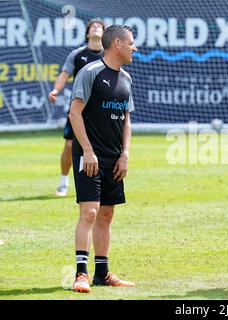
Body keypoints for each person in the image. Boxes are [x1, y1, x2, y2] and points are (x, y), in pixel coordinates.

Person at [69, 24, 137, 293]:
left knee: (107, 214)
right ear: (117, 44)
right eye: (131, 42)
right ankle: (81, 274)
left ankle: (102, 273)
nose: (135, 47)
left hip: (113, 158)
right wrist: (87, 150)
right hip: (89, 155)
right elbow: (75, 113)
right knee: (90, 212)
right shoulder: (90, 72)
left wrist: (125, 154)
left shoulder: (127, 79)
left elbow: (127, 120)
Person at [49, 18, 105, 197]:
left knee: (103, 147)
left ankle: (100, 184)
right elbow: (64, 74)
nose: (96, 28)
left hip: (101, 110)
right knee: (69, 145)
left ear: (105, 34)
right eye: (93, 27)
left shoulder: (108, 55)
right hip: (79, 109)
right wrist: (56, 90)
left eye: (100, 27)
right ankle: (63, 183)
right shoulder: (77, 54)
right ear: (87, 33)